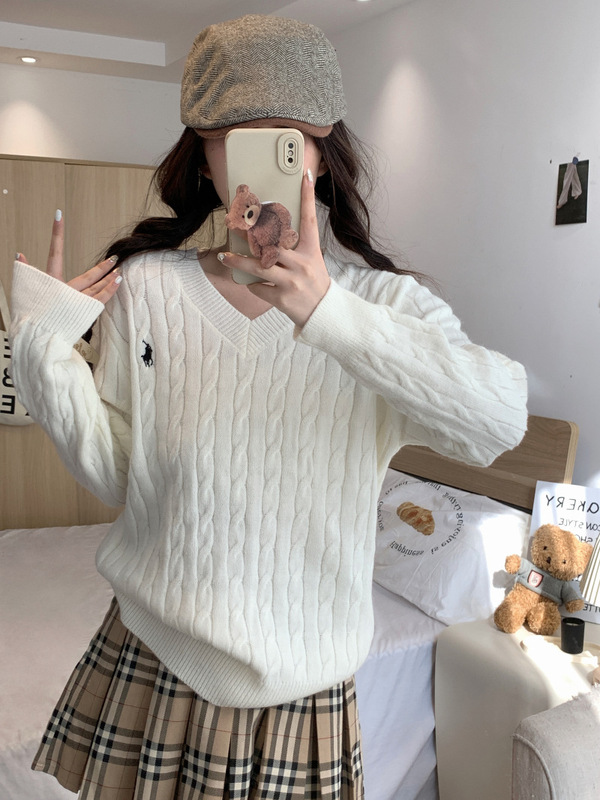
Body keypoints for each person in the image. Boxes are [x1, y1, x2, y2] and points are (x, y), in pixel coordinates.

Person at [9, 14, 528, 800]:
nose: (258, 165)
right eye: (233, 139)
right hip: (152, 661)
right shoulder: (149, 287)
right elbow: (119, 477)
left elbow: (498, 421)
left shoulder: (384, 308)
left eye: (286, 141)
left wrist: (328, 314)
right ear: (204, 157)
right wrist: (42, 354)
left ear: (320, 154)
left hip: (301, 694)